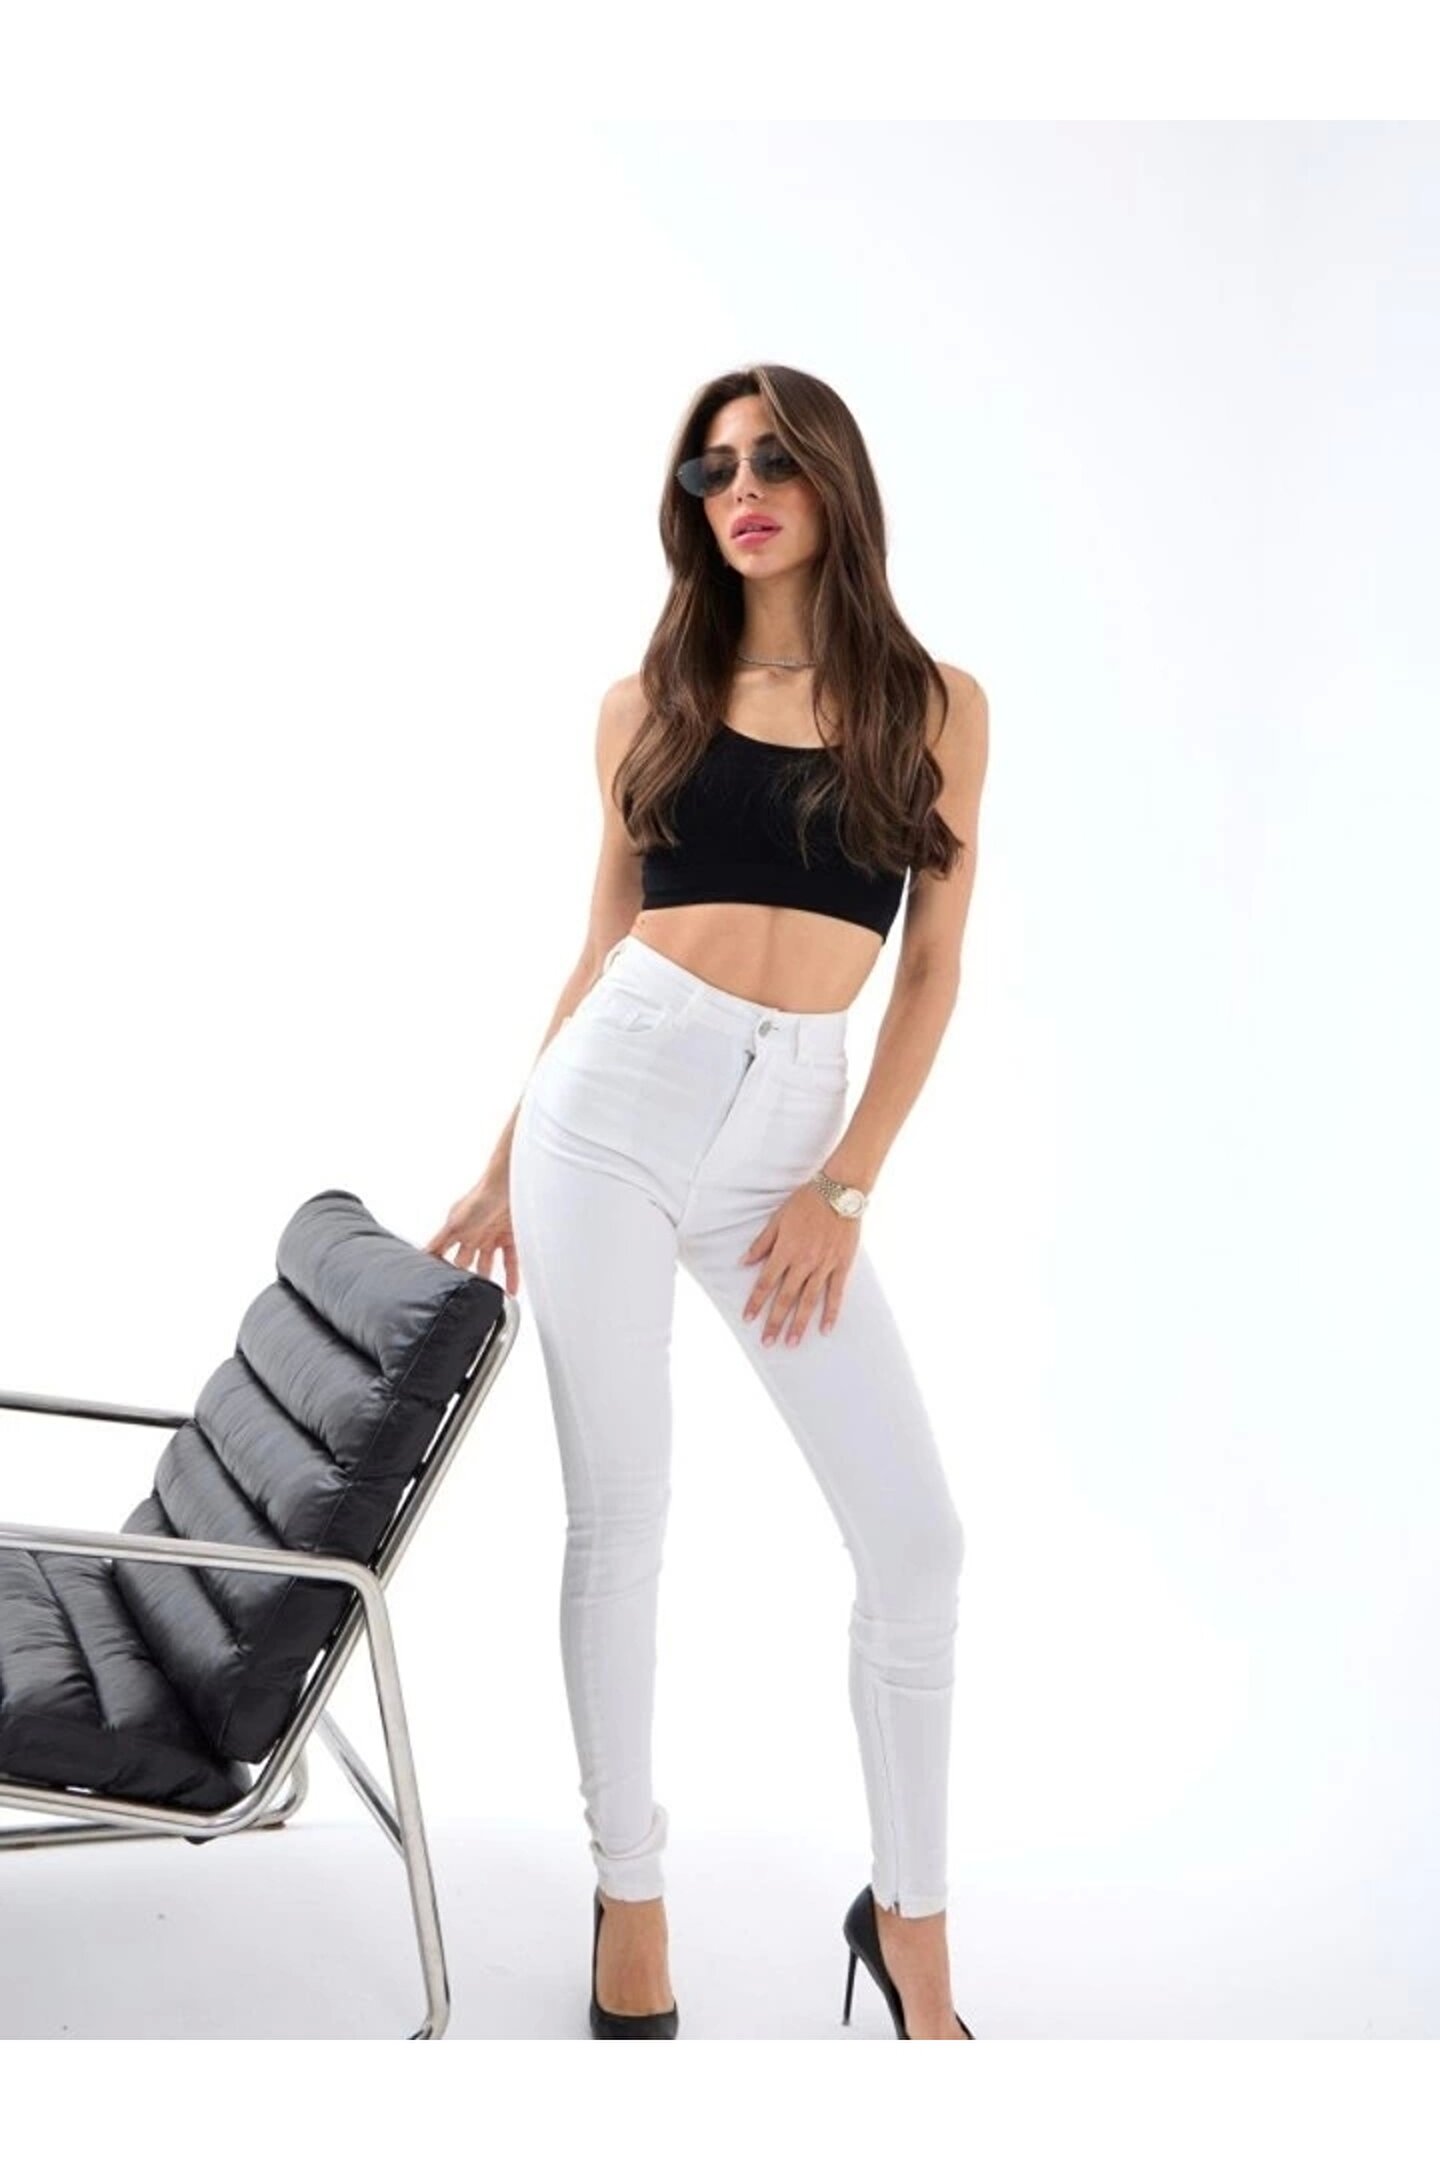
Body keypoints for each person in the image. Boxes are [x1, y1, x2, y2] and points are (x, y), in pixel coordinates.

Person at [427, 363, 989, 2040]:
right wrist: (502, 1156)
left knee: (917, 1541)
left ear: (833, 484)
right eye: (713, 469)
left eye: (773, 463)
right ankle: (632, 1892)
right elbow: (601, 946)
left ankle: (912, 1927)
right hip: (606, 1111)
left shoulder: (934, 705)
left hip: (790, 1148)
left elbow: (931, 971)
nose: (740, 491)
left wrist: (845, 1185)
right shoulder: (646, 702)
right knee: (625, 1517)